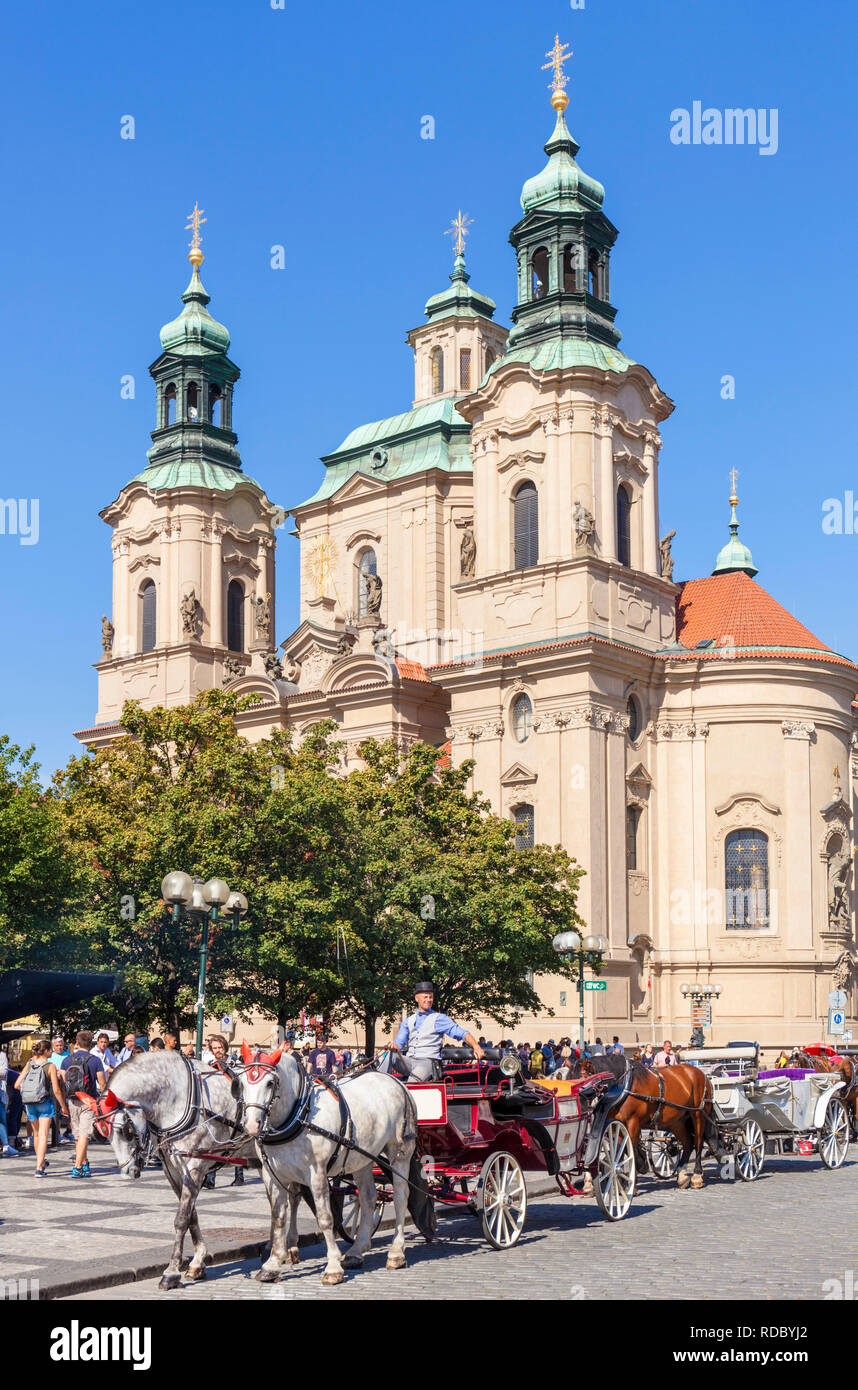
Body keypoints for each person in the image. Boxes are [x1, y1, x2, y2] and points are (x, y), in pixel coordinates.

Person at [383, 981, 484, 1082]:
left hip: (427, 1062)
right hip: (409, 1062)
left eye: (430, 997)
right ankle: (374, 1083)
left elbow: (462, 1033)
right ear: (416, 998)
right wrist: (393, 1046)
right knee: (388, 1055)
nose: (429, 1000)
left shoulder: (440, 1018)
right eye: (425, 997)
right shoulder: (408, 1021)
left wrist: (476, 1046)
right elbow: (398, 1043)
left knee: (412, 1083)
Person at [16, 1041, 69, 1176]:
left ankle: (41, 1161)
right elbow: (56, 1090)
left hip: (29, 1103)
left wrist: (28, 1091)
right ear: (45, 1051)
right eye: (50, 1050)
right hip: (44, 1102)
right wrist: (63, 1106)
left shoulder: (29, 1063)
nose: (51, 1052)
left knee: (36, 1134)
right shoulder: (50, 1066)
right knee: (44, 1135)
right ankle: (39, 1168)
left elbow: (17, 1085)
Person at [61, 1030, 107, 1178]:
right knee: (84, 1136)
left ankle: (85, 1163)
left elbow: (63, 1080)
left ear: (77, 1043)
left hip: (72, 1100)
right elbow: (102, 1083)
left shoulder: (67, 1060)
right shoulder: (95, 1060)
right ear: (91, 1043)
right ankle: (78, 1167)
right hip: (89, 1101)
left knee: (78, 1136)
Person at [0, 1044, 17, 1157]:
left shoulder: (1, 1055)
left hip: (0, 1092)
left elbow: (3, 1072)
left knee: (2, 1118)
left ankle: (6, 1145)